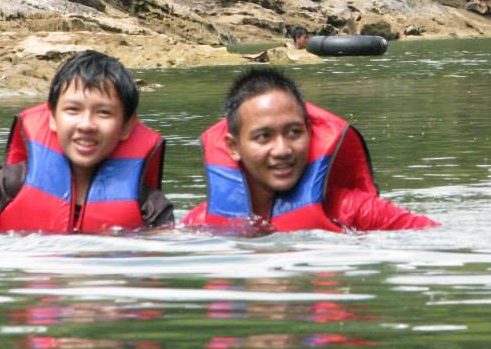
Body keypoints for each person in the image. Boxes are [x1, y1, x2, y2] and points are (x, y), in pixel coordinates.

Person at [182, 67, 439, 232]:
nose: (282, 150)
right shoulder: (201, 223)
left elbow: (435, 236)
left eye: (294, 133)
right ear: (233, 147)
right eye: (263, 137)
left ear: (310, 131)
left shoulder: (353, 210)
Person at [0, 50, 174, 233]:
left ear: (126, 126)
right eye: (73, 110)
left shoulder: (150, 207)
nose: (86, 125)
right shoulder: (7, 186)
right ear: (52, 118)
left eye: (103, 113)